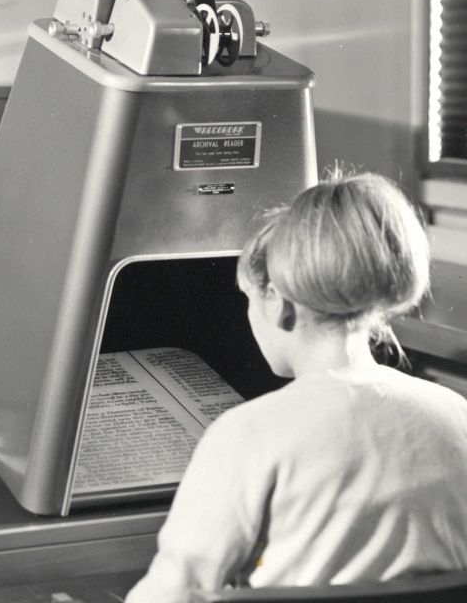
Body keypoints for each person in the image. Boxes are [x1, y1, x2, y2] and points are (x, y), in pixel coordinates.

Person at [126, 169, 467, 603]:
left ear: (282, 306)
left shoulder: (246, 434)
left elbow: (174, 593)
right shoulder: (456, 413)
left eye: (249, 299)